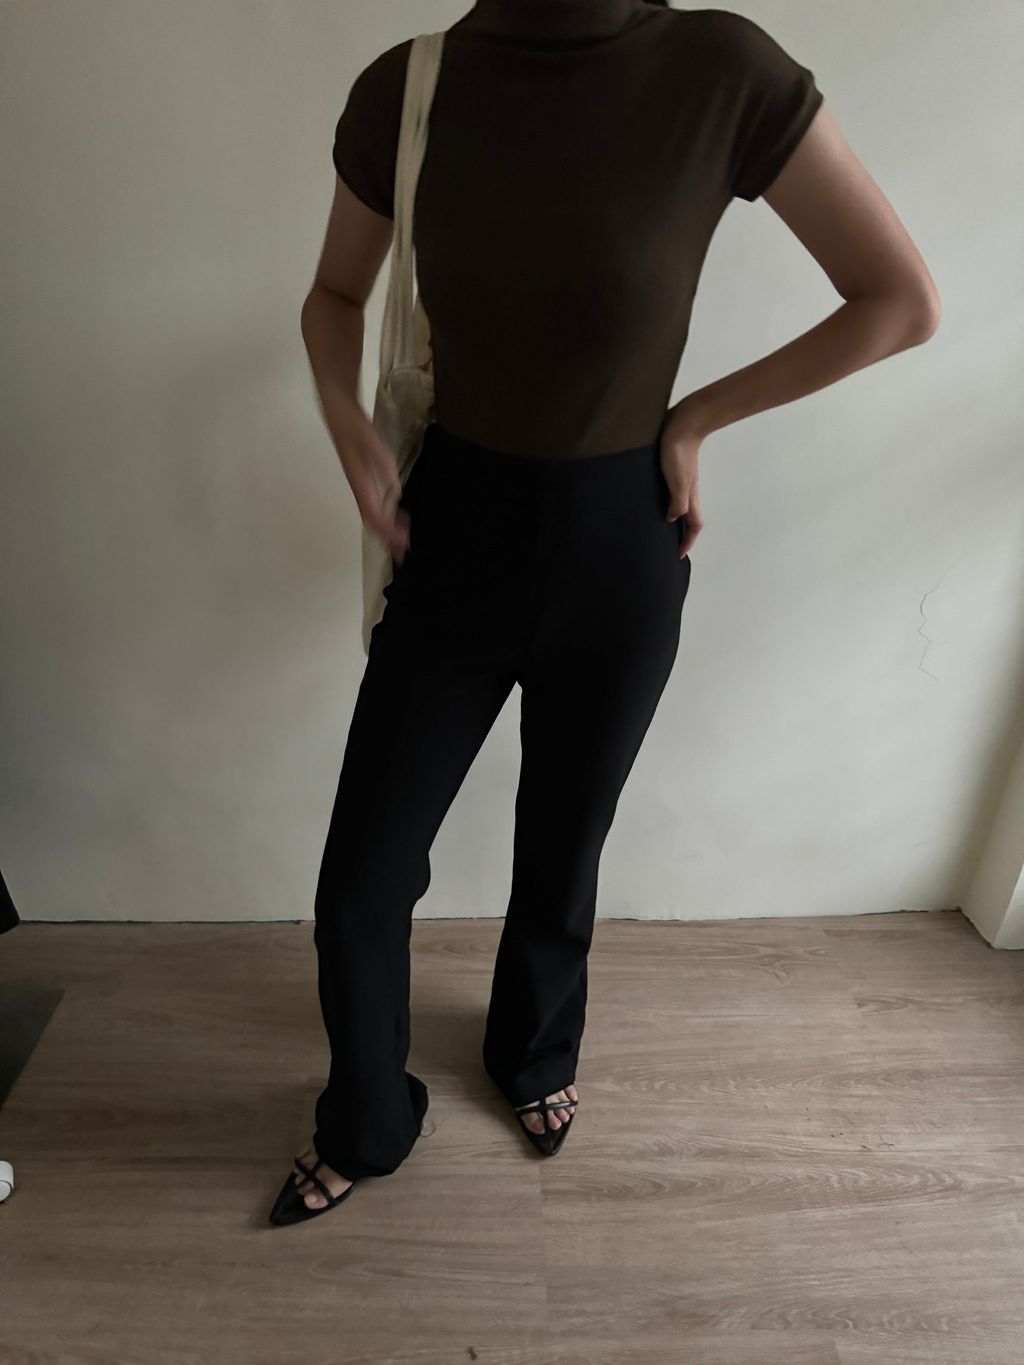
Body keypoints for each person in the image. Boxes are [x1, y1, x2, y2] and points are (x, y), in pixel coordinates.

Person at [269, 0, 940, 1225]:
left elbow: (896, 300)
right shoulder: (409, 87)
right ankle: (366, 1117)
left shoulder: (720, 70)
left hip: (620, 541)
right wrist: (345, 420)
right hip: (449, 531)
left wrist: (697, 418)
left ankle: (533, 1052)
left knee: (563, 845)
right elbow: (330, 296)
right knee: (361, 883)